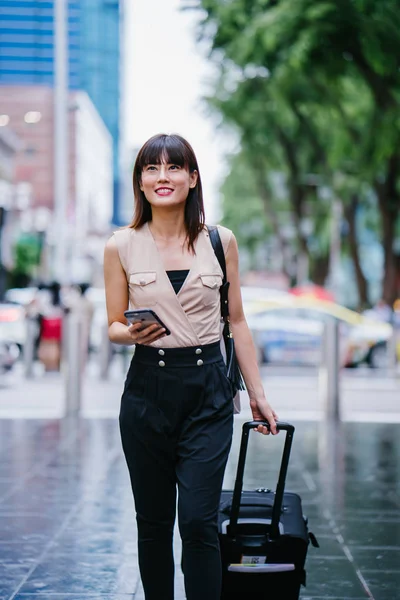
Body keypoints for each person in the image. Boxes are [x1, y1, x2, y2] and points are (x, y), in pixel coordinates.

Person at [103, 133, 278, 600]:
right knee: (153, 523)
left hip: (208, 392)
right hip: (146, 394)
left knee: (199, 521)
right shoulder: (120, 245)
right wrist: (131, 332)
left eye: (174, 167)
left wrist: (258, 394)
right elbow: (113, 326)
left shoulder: (220, 242)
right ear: (140, 182)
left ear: (192, 178)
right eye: (152, 169)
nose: (163, 177)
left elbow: (236, 320)